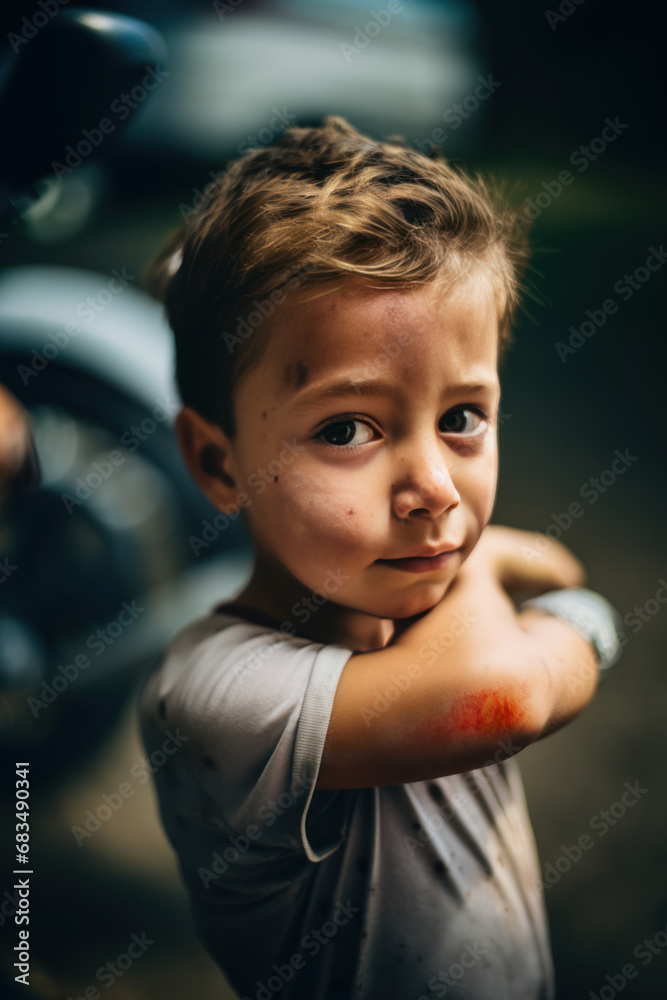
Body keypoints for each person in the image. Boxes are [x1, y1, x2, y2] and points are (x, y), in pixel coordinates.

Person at [138, 115, 622, 1000]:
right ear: (217, 461)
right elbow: (503, 694)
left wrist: (538, 601)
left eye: (463, 417)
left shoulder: (418, 619)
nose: (433, 487)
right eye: (347, 429)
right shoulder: (216, 692)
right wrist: (547, 612)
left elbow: (549, 569)